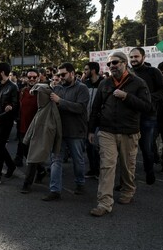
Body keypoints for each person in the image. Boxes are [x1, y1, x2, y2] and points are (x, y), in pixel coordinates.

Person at [88, 51, 152, 217]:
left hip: (129, 132)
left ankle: (128, 190)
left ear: (124, 63)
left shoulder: (138, 83)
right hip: (107, 131)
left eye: (115, 63)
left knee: (127, 166)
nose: (111, 66)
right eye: (109, 64)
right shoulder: (105, 83)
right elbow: (95, 108)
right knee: (107, 166)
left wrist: (126, 96)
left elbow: (147, 107)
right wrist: (91, 130)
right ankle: (104, 202)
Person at [42, 63, 89, 200]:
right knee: (56, 160)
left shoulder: (82, 88)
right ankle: (55, 190)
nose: (60, 77)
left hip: (76, 131)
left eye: (63, 74)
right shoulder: (57, 88)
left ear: (72, 74)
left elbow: (80, 108)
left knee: (77, 160)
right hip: (59, 132)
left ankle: (80, 183)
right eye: (59, 75)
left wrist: (60, 101)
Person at [129, 47, 163, 184]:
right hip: (130, 116)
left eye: (136, 57)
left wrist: (149, 98)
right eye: (131, 57)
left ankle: (149, 173)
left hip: (148, 116)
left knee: (147, 148)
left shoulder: (153, 72)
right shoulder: (128, 72)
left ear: (143, 57)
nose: (133, 59)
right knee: (127, 151)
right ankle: (127, 180)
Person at [20, 83, 62, 194]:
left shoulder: (51, 109)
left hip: (42, 137)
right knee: (29, 153)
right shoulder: (42, 108)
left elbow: (55, 127)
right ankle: (40, 170)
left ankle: (27, 183)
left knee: (33, 158)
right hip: (32, 135)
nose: (38, 97)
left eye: (40, 95)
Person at [13, 69, 40, 168]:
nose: (32, 79)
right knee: (24, 148)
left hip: (37, 126)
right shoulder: (22, 91)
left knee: (34, 151)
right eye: (29, 77)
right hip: (23, 125)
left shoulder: (43, 91)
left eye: (34, 77)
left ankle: (37, 171)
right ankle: (39, 170)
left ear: (38, 78)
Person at [83, 61, 102, 179]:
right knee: (89, 146)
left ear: (93, 70)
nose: (84, 72)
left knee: (97, 146)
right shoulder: (85, 84)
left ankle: (99, 170)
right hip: (87, 119)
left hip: (99, 120)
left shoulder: (104, 83)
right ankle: (93, 169)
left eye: (86, 69)